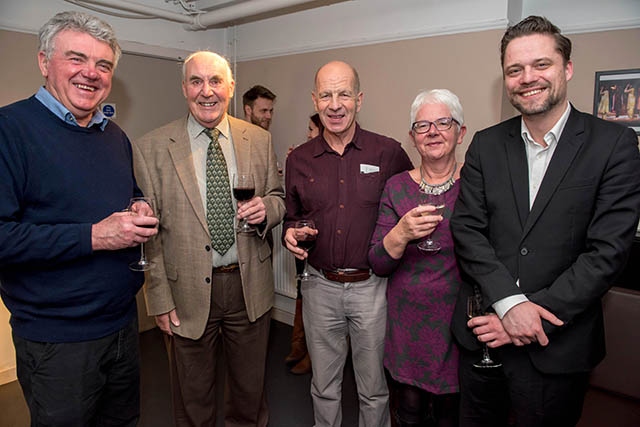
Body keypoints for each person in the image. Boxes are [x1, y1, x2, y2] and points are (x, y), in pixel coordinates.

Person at [450, 15, 640, 427]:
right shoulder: (486, 144)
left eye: (541, 64)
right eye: (514, 69)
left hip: (557, 347)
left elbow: (607, 252)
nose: (527, 77)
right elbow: (468, 231)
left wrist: (527, 315)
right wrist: (509, 304)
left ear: (567, 68)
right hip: (483, 339)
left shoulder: (614, 145)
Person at [0, 11, 158, 426]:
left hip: (122, 324)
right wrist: (94, 237)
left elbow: (129, 193)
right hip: (58, 340)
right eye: (76, 59)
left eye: (103, 65)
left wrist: (138, 204)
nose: (91, 73)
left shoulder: (114, 135)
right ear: (43, 62)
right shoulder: (9, 130)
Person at [132, 51, 285, 427]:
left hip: (249, 287)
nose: (207, 92)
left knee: (249, 396)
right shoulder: (152, 147)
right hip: (186, 294)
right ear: (184, 88)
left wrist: (267, 209)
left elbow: (279, 198)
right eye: (196, 81)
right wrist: (160, 299)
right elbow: (147, 234)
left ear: (230, 87)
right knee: (192, 398)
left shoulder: (258, 139)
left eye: (215, 81)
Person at [283, 60, 413, 427]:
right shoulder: (299, 159)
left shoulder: (387, 153)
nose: (335, 104)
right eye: (326, 95)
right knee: (324, 386)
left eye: (343, 94)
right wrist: (289, 232)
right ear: (315, 99)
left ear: (359, 98)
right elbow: (291, 216)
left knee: (373, 389)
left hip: (372, 287)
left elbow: (410, 202)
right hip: (319, 286)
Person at [369, 89, 466, 427]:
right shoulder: (397, 187)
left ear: (460, 131)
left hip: (458, 322)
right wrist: (402, 233)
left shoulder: (477, 184)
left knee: (450, 414)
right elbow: (378, 262)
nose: (433, 132)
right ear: (412, 138)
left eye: (443, 122)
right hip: (407, 323)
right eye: (422, 126)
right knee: (408, 412)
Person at [285, 112, 325, 375]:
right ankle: (300, 347)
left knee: (314, 303)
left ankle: (312, 353)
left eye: (311, 129)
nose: (308, 134)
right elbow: (292, 209)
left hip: (322, 246)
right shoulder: (301, 159)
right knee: (302, 292)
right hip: (304, 237)